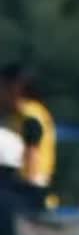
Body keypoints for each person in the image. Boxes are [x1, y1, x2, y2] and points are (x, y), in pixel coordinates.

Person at [0, 62, 56, 193]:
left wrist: (30, 189)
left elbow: (32, 151)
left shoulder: (30, 114)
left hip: (28, 188)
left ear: (14, 88)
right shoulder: (13, 115)